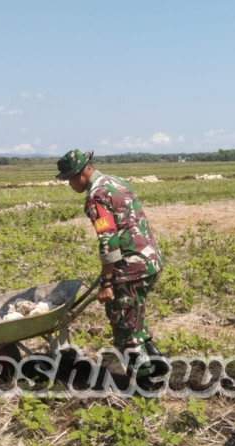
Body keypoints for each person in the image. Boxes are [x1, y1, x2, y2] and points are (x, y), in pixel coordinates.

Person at [56, 149, 169, 386]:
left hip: (130, 267)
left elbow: (108, 240)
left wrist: (107, 283)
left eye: (69, 179)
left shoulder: (95, 197)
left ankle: (144, 383)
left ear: (81, 173)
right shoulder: (117, 181)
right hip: (150, 260)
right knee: (134, 311)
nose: (69, 184)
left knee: (122, 324)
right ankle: (156, 357)